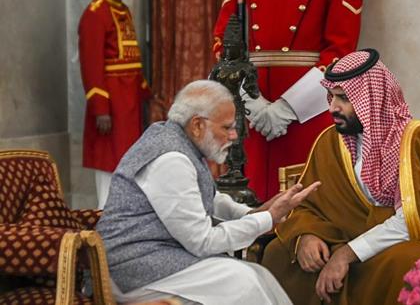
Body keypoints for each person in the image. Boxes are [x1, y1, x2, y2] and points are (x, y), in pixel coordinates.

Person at [262, 49, 420, 304]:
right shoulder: (329, 141)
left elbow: (413, 219)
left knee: (406, 264)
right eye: (331, 98)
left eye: (343, 99)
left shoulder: (415, 138)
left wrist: (348, 254)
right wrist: (306, 236)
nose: (332, 108)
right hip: (346, 235)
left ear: (372, 99)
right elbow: (308, 204)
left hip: (404, 241)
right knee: (279, 253)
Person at [94, 80, 319, 304]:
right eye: (227, 127)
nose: (234, 136)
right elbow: (201, 241)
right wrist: (266, 219)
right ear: (198, 125)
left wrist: (252, 213)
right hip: (133, 268)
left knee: (260, 276)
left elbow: (208, 197)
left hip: (159, 254)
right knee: (242, 282)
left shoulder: (178, 139)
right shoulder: (171, 160)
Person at [213, 0, 363, 201]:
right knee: (250, 193)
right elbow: (223, 41)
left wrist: (289, 107)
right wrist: (251, 102)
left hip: (307, 108)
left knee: (306, 196)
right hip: (253, 102)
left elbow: (340, 52)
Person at [78, 0, 151, 208]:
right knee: (108, 164)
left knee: (127, 162)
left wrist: (145, 94)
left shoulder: (124, 10)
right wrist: (100, 108)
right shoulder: (95, 13)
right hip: (109, 104)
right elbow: (91, 64)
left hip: (128, 104)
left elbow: (132, 58)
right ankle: (105, 221)